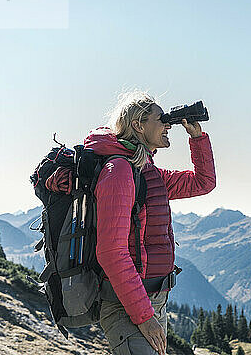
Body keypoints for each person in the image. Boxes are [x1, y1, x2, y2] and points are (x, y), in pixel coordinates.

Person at [83, 92, 216, 355]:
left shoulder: (149, 173)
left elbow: (204, 182)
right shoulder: (119, 172)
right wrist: (144, 317)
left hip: (152, 302)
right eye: (161, 119)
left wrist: (197, 137)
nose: (168, 125)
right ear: (138, 125)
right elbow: (111, 253)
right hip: (129, 307)